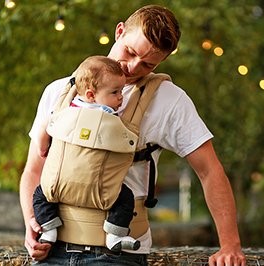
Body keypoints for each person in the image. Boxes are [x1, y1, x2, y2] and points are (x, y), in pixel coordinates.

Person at [20, 4, 246, 266]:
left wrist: (230, 245)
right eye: (130, 52)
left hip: (117, 254)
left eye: (148, 64)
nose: (133, 67)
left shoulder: (169, 101)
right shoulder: (60, 91)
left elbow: (210, 171)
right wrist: (31, 223)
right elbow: (34, 170)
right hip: (52, 249)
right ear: (119, 32)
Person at [33, 55, 140, 252]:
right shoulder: (110, 115)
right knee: (125, 197)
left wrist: (43, 144)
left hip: (57, 185)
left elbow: (45, 135)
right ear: (91, 95)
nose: (120, 98)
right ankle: (115, 235)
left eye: (122, 91)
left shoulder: (66, 106)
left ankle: (48, 229)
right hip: (101, 191)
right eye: (115, 92)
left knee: (40, 194)